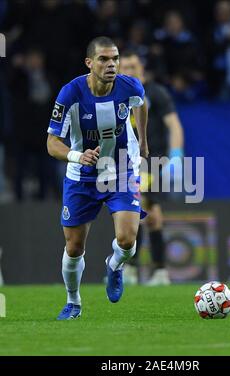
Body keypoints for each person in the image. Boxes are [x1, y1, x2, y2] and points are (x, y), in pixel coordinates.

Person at [47, 37, 148, 320]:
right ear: (89, 63)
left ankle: (114, 266)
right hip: (82, 176)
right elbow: (51, 142)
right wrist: (78, 156)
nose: (111, 64)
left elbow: (141, 104)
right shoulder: (71, 93)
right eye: (104, 59)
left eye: (114, 58)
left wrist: (143, 140)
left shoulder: (130, 86)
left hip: (121, 170)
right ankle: (73, 302)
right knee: (74, 247)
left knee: (127, 241)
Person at [119, 51, 184, 286]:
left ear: (141, 68)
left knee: (141, 208)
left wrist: (176, 155)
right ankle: (154, 270)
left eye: (133, 66)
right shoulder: (115, 95)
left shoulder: (155, 93)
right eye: (124, 67)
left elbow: (174, 125)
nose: (129, 71)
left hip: (150, 160)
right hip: (123, 162)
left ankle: (138, 269)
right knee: (145, 213)